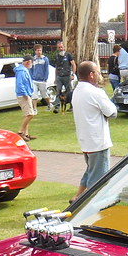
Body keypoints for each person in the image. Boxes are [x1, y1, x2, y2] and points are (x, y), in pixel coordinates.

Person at [72, 60, 117, 199]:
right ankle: (92, 203)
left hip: (85, 139)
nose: (99, 75)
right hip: (98, 141)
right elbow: (112, 113)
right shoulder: (96, 92)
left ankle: (77, 196)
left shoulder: (77, 91)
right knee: (99, 179)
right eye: (97, 72)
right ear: (91, 74)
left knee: (91, 170)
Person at [15, 54, 37, 141]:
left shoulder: (23, 70)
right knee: (30, 114)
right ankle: (20, 132)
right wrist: (25, 94)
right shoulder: (21, 71)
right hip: (24, 95)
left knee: (27, 114)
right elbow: (20, 84)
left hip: (26, 94)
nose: (32, 64)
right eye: (31, 62)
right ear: (28, 62)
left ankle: (26, 134)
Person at [51, 41, 76, 113]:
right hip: (59, 76)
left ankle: (72, 106)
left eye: (61, 47)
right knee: (58, 92)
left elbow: (73, 65)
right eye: (59, 47)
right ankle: (57, 107)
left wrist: (73, 74)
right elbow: (56, 67)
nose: (60, 48)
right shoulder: (56, 56)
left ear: (64, 47)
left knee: (69, 92)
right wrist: (55, 78)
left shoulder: (68, 55)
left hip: (67, 76)